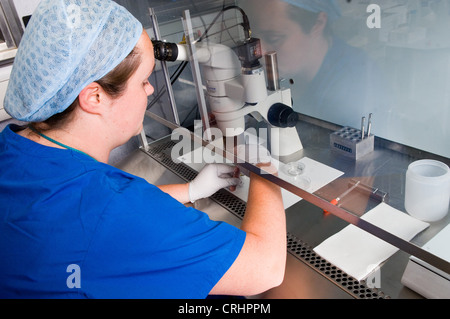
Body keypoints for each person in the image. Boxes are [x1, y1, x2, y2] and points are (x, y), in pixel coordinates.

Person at [0, 0, 286, 298]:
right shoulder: (108, 208)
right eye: (144, 81)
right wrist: (264, 170)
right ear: (94, 97)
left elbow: (88, 220)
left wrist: (190, 191)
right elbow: (266, 268)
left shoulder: (14, 146)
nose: (150, 90)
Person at [240, 0, 391, 133]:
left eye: (274, 38)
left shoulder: (354, 90)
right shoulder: (291, 70)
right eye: (254, 38)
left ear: (318, 24)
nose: (261, 52)